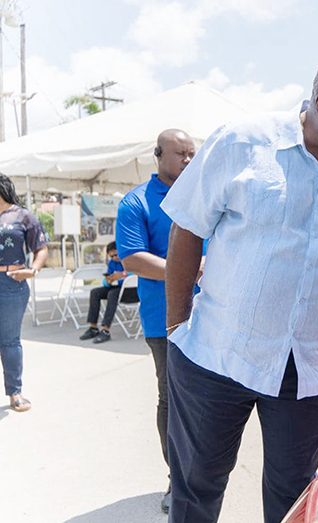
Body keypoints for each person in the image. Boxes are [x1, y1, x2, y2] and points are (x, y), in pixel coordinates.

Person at [161, 44, 318, 523]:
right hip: (215, 357)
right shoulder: (241, 144)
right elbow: (186, 229)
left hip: (308, 374)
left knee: (295, 502)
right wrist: (177, 330)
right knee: (196, 493)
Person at [115, 128, 195, 514]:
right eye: (181, 154)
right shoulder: (137, 203)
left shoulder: (200, 193)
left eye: (193, 154)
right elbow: (132, 259)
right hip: (164, 320)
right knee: (173, 398)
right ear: (159, 155)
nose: (188, 160)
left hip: (212, 314)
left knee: (208, 399)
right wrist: (188, 271)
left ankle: (200, 474)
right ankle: (176, 479)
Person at [0, 174, 48, 413]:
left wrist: (33, 270)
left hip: (11, 281)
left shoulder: (23, 216)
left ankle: (14, 392)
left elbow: (41, 248)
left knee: (9, 340)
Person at [79, 241, 138, 344]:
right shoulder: (112, 263)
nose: (115, 257)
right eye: (112, 256)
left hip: (131, 291)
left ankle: (105, 330)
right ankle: (93, 327)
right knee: (95, 292)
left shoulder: (130, 259)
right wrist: (107, 281)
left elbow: (136, 274)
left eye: (116, 254)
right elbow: (108, 280)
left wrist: (122, 275)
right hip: (117, 288)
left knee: (112, 294)